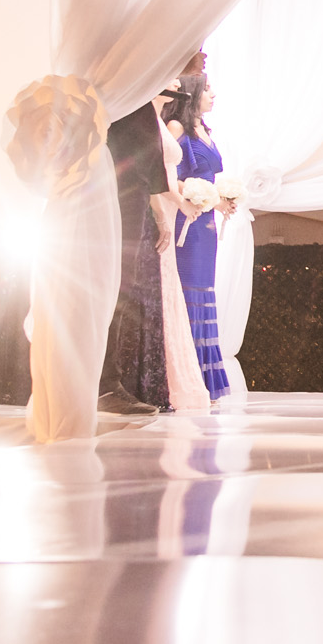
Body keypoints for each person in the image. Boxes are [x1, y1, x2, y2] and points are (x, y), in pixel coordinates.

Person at [98, 79, 174, 415]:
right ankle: (102, 386)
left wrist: (156, 209)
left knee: (119, 286)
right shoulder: (131, 70)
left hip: (132, 184)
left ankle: (104, 383)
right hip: (114, 178)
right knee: (111, 285)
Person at [160, 64, 234, 404]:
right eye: (207, 89)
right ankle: (187, 373)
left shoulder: (203, 128)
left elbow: (207, 177)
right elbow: (165, 173)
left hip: (206, 225)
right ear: (192, 94)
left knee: (205, 290)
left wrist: (219, 200)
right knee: (189, 291)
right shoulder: (177, 128)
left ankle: (206, 376)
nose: (213, 95)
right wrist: (193, 197)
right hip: (186, 222)